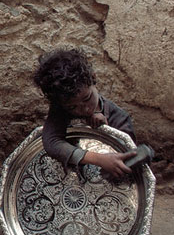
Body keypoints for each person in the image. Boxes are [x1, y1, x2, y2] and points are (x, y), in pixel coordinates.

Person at [33, 48, 137, 176]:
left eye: (87, 98)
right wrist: (99, 159)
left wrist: (106, 132)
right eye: (72, 107)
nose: (85, 109)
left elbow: (128, 156)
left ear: (93, 79)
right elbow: (52, 143)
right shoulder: (60, 110)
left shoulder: (119, 118)